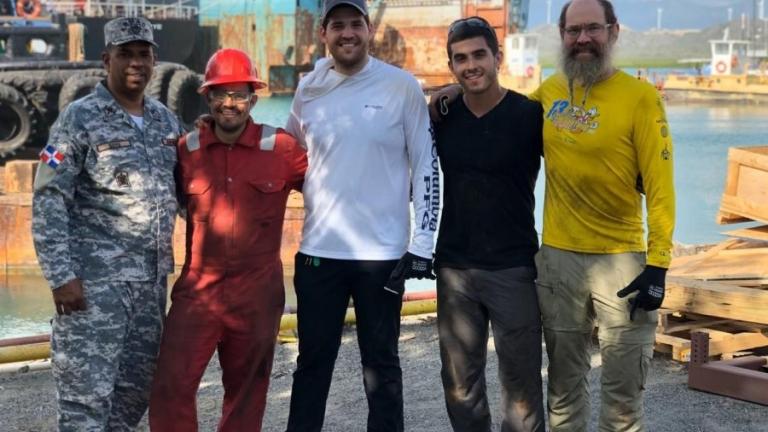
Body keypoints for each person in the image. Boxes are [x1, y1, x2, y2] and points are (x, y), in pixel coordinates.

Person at [431, 1, 675, 430]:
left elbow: (660, 184)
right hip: (557, 260)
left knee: (620, 396)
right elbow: (489, 108)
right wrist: (443, 95)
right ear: (562, 36)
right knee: (562, 391)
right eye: (573, 30)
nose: (583, 39)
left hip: (619, 261)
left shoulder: (639, 97)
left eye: (593, 29)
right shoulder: (549, 95)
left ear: (613, 32)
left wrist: (658, 263)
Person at [284, 0, 439, 430]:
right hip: (319, 254)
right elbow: (286, 154)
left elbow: (427, 165)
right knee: (312, 364)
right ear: (324, 34)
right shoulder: (308, 89)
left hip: (383, 257)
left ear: (370, 30)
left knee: (382, 366)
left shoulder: (401, 86)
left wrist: (422, 244)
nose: (347, 33)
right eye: (338, 26)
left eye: (356, 24)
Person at [31, 17, 182, 430]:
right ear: (106, 59)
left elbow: (188, 193)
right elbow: (48, 198)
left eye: (143, 54)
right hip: (94, 290)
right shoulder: (77, 120)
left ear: (153, 60)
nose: (136, 63)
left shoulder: (166, 124)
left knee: (131, 399)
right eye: (125, 54)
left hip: (150, 289)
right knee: (85, 404)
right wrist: (61, 276)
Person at [147, 48, 307, 432]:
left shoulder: (282, 149)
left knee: (247, 392)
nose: (229, 103)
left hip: (257, 293)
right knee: (170, 385)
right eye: (220, 94)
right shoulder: (187, 150)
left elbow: (333, 192)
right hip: (198, 291)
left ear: (254, 99)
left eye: (238, 94)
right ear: (208, 97)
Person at [433, 16, 545, 432]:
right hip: (454, 267)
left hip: (513, 267)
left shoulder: (529, 115)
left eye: (479, 54)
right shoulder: (442, 118)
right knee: (460, 387)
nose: (470, 65)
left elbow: (577, 161)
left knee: (521, 388)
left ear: (498, 57)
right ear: (451, 67)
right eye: (460, 59)